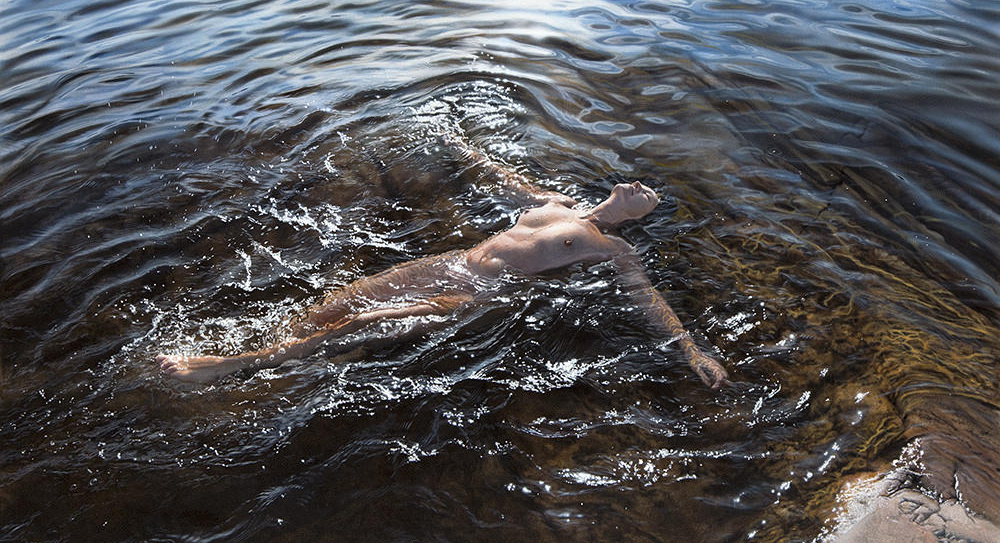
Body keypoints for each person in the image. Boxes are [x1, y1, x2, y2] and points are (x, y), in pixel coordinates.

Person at [156, 139, 728, 389]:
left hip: (480, 293)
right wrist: (460, 143)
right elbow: (502, 180)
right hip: (450, 263)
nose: (634, 185)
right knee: (343, 300)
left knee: (364, 322)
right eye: (636, 183)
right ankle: (277, 360)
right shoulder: (555, 204)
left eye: (644, 194)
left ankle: (238, 363)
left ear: (637, 217)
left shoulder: (613, 248)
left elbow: (647, 299)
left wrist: (689, 349)